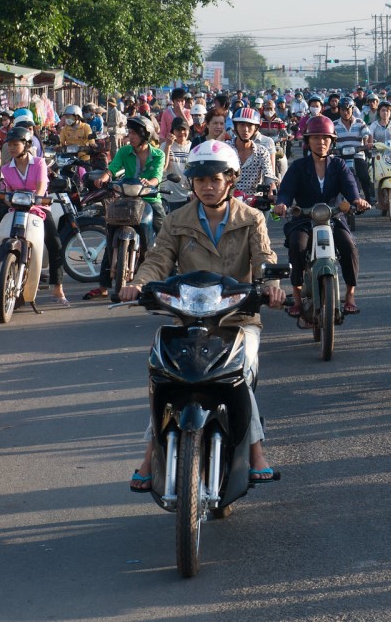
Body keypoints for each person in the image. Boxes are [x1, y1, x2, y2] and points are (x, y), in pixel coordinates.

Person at [121, 141, 287, 489]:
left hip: (238, 320)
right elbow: (158, 259)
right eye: (200, 180)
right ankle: (151, 451)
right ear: (191, 183)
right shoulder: (177, 220)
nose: (208, 187)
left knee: (240, 374)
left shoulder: (252, 218)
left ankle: (256, 452)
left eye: (215, 179)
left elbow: (264, 259)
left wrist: (271, 286)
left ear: (230, 180)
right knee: (163, 375)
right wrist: (138, 284)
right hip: (188, 321)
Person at [274, 116, 370, 318]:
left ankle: (350, 295)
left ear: (332, 140)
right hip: (303, 219)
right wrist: (281, 204)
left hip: (332, 218)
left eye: (325, 138)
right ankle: (298, 298)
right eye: (315, 138)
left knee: (349, 245)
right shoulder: (298, 166)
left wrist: (356, 200)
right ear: (308, 141)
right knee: (297, 245)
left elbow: (351, 187)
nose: (321, 142)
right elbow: (286, 190)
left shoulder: (339, 165)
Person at [0, 127, 70, 305]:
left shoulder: (39, 163)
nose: (11, 148)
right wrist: (7, 200)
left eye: (15, 144)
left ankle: (58, 288)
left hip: (38, 207)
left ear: (26, 145)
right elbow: (5, 190)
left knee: (55, 243)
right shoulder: (6, 169)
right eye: (9, 145)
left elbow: (41, 188)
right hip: (14, 207)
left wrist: (36, 200)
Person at [82, 116, 167, 301]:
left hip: (150, 198)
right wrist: (105, 177)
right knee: (111, 233)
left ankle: (169, 277)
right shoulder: (124, 151)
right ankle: (104, 286)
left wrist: (150, 183)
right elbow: (112, 168)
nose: (130, 136)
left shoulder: (159, 154)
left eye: (134, 133)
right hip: (127, 197)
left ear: (145, 134)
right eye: (130, 132)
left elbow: (157, 177)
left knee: (165, 235)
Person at [230, 107, 277, 199]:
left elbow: (268, 174)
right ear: (235, 126)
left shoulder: (262, 151)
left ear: (256, 128)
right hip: (229, 199)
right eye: (241, 124)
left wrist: (272, 187)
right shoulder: (225, 149)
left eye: (250, 125)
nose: (245, 129)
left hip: (255, 201)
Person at [160, 118, 193, 213]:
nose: (181, 132)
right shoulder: (165, 146)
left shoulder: (193, 147)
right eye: (178, 130)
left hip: (189, 197)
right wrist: (168, 146)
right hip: (170, 197)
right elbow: (163, 168)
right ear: (172, 131)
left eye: (184, 129)